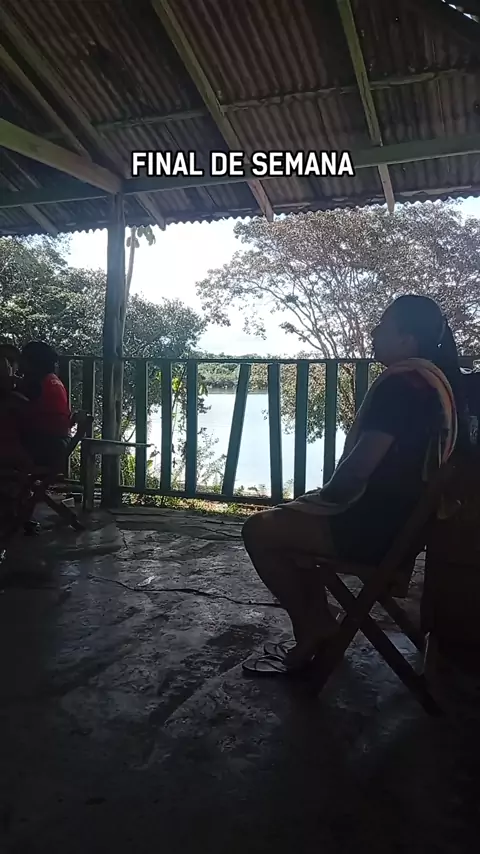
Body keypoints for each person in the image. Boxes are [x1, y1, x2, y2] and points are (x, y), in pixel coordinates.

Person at [241, 295, 465, 676]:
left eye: (383, 326)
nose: (374, 333)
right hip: (404, 532)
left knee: (259, 531)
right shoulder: (437, 385)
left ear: (407, 340)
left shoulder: (402, 387)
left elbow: (360, 468)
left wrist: (319, 500)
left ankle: (312, 626)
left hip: (370, 531)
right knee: (292, 523)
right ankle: (319, 620)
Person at [18, 341, 72, 470]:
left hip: (43, 446)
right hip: (58, 444)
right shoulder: (53, 380)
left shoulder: (35, 384)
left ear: (33, 362)